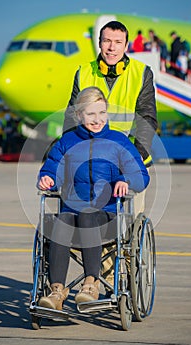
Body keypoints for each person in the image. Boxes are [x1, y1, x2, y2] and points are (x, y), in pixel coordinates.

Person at [63, 20, 157, 291]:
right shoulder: (83, 72)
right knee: (87, 223)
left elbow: (147, 120)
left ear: (126, 45)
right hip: (90, 167)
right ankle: (98, 280)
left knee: (125, 233)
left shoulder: (141, 73)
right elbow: (72, 117)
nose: (111, 47)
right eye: (107, 41)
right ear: (99, 43)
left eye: (117, 42)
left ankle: (122, 282)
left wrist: (132, 160)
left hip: (128, 165)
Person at [37, 87, 150, 310]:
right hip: (72, 213)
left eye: (101, 113)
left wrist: (125, 180)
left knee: (88, 216)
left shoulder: (119, 141)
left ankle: (91, 283)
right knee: (60, 221)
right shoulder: (67, 141)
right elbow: (52, 167)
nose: (97, 120)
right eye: (90, 114)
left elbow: (140, 174)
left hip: (106, 217)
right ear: (79, 115)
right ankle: (57, 291)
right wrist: (47, 178)